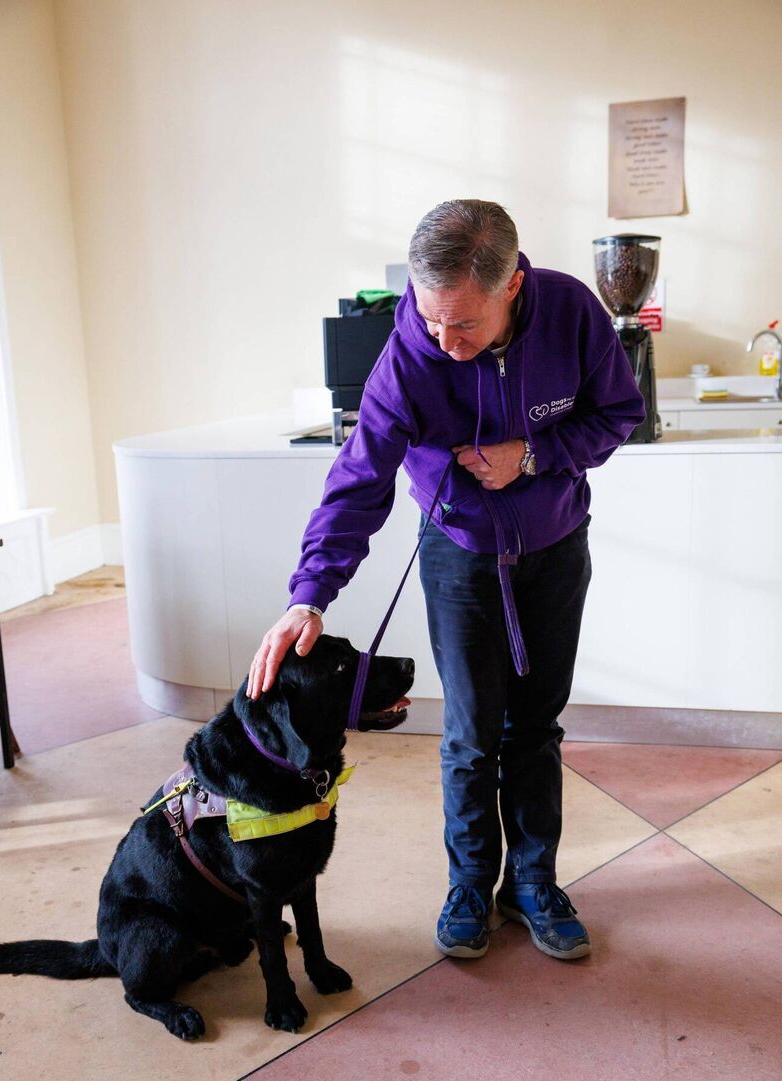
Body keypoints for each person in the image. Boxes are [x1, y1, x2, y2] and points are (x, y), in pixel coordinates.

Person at [248, 199, 644, 960]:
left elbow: (618, 412)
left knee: (535, 728)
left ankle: (533, 884)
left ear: (512, 286)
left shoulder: (571, 312)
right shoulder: (410, 354)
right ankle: (468, 885)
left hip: (555, 547)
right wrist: (309, 595)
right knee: (468, 733)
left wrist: (533, 455)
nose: (444, 342)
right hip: (459, 552)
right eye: (430, 320)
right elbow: (360, 478)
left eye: (462, 325)